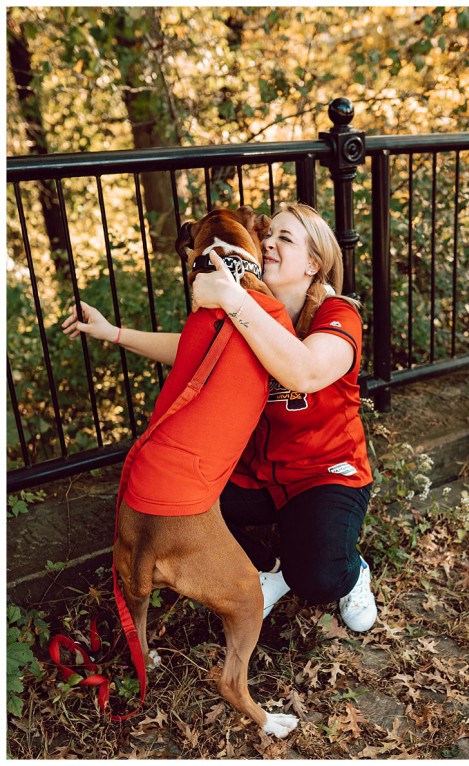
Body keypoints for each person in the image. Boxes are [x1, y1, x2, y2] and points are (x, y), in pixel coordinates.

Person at [62, 202, 377, 631]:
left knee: (319, 578)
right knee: (179, 501)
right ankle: (269, 564)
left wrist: (231, 298)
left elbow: (306, 372)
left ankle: (349, 570)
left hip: (321, 472)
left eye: (285, 238)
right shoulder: (250, 305)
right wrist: (112, 333)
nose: (269, 243)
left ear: (313, 264)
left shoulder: (336, 313)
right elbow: (190, 349)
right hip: (256, 471)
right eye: (268, 235)